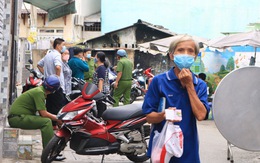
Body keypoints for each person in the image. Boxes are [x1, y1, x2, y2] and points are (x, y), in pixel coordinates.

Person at [142, 35, 210, 163]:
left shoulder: (199, 85)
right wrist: (164, 115)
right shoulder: (159, 81)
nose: (186, 54)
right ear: (172, 55)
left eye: (190, 51)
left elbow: (201, 115)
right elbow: (149, 117)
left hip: (188, 150)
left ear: (195, 56)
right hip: (161, 148)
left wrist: (189, 85)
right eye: (180, 50)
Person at [8, 75, 66, 161]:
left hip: (20, 117)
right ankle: (50, 152)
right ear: (54, 90)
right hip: (16, 118)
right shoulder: (39, 92)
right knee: (46, 122)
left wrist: (56, 118)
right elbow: (44, 114)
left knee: (46, 120)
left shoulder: (39, 91)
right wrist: (58, 119)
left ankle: (50, 150)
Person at [37, 38, 67, 126]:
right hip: (56, 86)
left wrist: (46, 75)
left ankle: (51, 125)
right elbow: (58, 67)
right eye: (63, 45)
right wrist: (56, 78)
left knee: (50, 105)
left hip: (48, 85)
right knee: (59, 106)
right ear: (58, 45)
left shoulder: (48, 55)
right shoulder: (57, 55)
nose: (64, 47)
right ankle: (57, 125)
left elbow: (39, 65)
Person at [92, 51, 110, 117]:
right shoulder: (101, 67)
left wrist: (99, 92)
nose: (94, 58)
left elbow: (101, 80)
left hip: (101, 92)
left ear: (98, 58)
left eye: (95, 57)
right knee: (101, 108)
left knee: (101, 110)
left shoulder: (101, 68)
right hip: (102, 92)